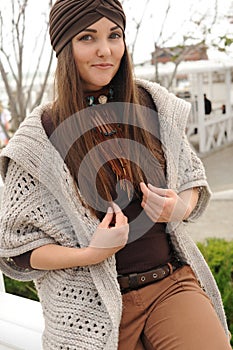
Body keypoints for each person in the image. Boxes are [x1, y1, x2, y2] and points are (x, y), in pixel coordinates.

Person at [0, 1, 231, 349]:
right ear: (65, 47)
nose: (104, 50)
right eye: (87, 37)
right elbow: (15, 245)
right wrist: (90, 254)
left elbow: (192, 180)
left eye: (114, 35)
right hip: (90, 307)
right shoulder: (40, 136)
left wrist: (178, 209)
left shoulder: (154, 104)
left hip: (169, 284)